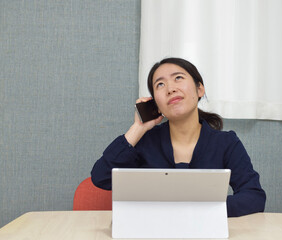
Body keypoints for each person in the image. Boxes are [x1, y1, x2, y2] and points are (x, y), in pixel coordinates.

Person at [91, 57, 266, 217]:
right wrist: (138, 128)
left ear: (199, 89)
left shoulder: (226, 143)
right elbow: (101, 177)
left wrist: (200, 210)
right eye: (160, 84)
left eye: (178, 78)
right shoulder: (146, 141)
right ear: (156, 104)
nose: (170, 88)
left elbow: (253, 197)